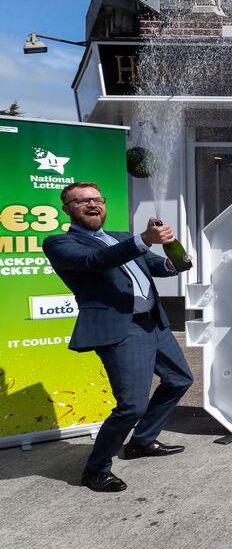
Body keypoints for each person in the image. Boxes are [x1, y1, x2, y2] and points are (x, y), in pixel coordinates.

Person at [42, 182, 193, 493]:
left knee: (179, 380)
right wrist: (143, 240)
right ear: (67, 209)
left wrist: (176, 257)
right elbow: (95, 262)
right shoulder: (59, 243)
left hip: (154, 322)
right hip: (121, 330)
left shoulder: (121, 238)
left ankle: (141, 441)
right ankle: (96, 469)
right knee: (131, 407)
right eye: (81, 201)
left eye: (97, 198)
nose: (92, 204)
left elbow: (159, 268)